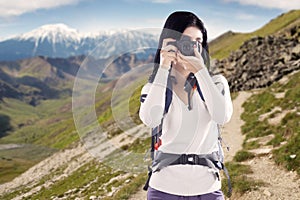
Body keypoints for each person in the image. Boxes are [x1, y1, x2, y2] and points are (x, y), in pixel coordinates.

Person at [139, 11, 233, 200]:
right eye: (185, 41)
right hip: (163, 189)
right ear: (169, 42)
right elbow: (150, 119)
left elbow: (222, 116)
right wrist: (164, 66)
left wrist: (200, 71)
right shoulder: (154, 87)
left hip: (208, 188)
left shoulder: (216, 82)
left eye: (198, 41)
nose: (192, 47)